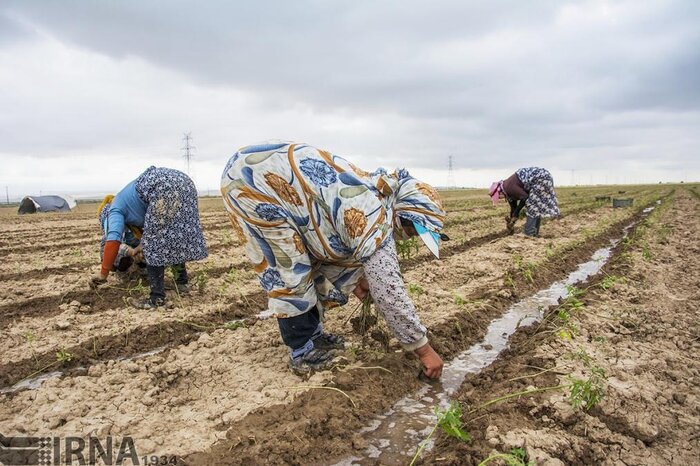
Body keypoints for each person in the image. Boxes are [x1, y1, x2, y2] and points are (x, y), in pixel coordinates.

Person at [221, 141, 448, 378]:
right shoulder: (373, 214)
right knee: (290, 269)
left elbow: (334, 244)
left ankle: (314, 335)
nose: (409, 237)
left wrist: (360, 278)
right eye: (412, 231)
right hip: (254, 183)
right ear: (403, 212)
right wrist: (423, 350)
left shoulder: (376, 199)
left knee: (308, 262)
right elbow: (389, 292)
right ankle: (302, 350)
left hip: (273, 183)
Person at [91, 166, 209, 308]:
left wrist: (103, 273)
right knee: (172, 236)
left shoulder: (114, 209)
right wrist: (141, 246)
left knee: (156, 243)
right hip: (185, 182)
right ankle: (182, 284)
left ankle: (156, 299)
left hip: (161, 185)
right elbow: (155, 229)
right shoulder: (127, 201)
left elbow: (113, 240)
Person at [489, 167, 560, 237]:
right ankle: (534, 233)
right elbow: (513, 207)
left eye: (498, 197)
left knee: (532, 205)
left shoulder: (509, 187)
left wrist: (517, 212)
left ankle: (529, 234)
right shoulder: (506, 189)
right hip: (543, 177)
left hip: (541, 178)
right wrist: (512, 220)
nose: (499, 198)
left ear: (499, 191)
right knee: (536, 206)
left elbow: (524, 197)